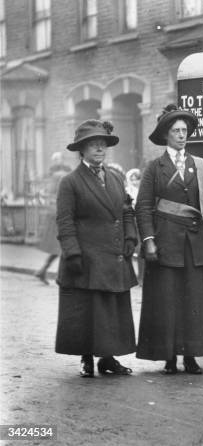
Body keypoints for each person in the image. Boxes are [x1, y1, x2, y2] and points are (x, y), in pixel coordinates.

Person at [136, 104, 203, 374]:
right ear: (166, 135)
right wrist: (149, 239)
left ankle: (192, 356)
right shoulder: (154, 168)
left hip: (196, 243)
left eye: (185, 130)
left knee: (194, 301)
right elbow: (143, 206)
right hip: (166, 244)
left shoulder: (199, 165)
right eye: (176, 131)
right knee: (168, 301)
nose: (182, 135)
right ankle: (170, 357)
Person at [55, 120, 138, 377]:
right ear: (82, 150)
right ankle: (87, 358)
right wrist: (73, 252)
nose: (100, 148)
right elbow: (65, 220)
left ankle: (108, 358)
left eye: (103, 144)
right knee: (87, 311)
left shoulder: (114, 178)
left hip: (112, 255)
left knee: (109, 310)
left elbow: (125, 211)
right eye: (93, 144)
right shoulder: (70, 182)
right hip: (86, 257)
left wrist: (130, 237)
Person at [34, 152, 71, 284]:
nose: (56, 161)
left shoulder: (60, 174)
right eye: (54, 159)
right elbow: (52, 194)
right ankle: (54, 274)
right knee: (62, 245)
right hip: (60, 213)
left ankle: (43, 270)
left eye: (58, 159)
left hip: (58, 212)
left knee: (60, 246)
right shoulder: (59, 176)